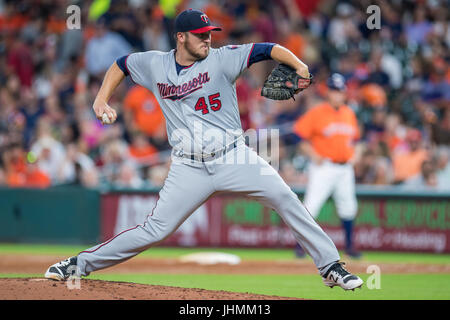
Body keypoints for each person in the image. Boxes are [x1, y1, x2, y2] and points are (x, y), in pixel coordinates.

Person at [45, 9, 363, 291]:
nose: (207, 40)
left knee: (285, 197)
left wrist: (299, 64)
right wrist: (101, 99)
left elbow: (267, 50)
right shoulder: (155, 64)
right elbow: (122, 65)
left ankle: (330, 266)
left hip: (234, 157)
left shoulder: (222, 59)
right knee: (154, 230)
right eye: (200, 36)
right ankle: (77, 266)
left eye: (209, 34)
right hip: (188, 167)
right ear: (181, 37)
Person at [293, 73, 362, 259]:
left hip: (345, 168)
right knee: (311, 206)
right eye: (334, 90)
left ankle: (349, 247)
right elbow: (298, 134)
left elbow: (356, 140)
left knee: (348, 207)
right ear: (328, 92)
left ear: (344, 93)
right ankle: (300, 247)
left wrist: (356, 154)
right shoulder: (318, 112)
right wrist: (312, 153)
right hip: (324, 167)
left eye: (340, 90)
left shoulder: (349, 113)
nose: (337, 94)